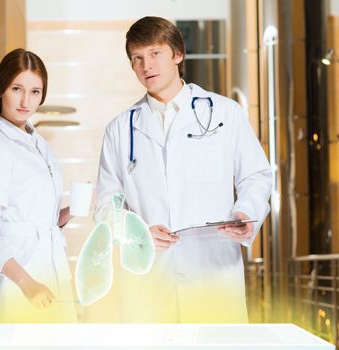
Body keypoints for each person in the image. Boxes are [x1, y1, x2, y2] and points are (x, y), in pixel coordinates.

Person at [96, 16, 272, 323]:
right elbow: (106, 204)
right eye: (137, 58)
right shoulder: (120, 129)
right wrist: (136, 233)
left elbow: (255, 175)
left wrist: (246, 212)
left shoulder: (224, 113)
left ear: (177, 54)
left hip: (213, 272)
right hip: (150, 279)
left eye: (154, 54)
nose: (146, 65)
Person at [0, 49, 77, 323]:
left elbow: (35, 218)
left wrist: (69, 212)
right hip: (19, 283)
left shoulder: (39, 144)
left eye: (35, 92)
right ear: (0, 90)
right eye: (17, 89)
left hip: (53, 275)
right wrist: (26, 283)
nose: (25, 101)